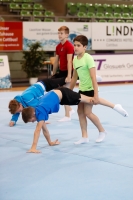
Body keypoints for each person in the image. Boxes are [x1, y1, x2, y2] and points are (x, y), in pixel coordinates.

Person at [69, 35, 128, 144]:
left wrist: (96, 95)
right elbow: (74, 78)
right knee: (80, 112)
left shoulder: (88, 58)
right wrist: (69, 91)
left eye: (78, 45)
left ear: (85, 47)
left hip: (90, 88)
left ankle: (102, 130)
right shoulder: (75, 59)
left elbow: (93, 77)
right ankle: (85, 136)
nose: (75, 47)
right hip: (82, 89)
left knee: (88, 112)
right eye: (74, 45)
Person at [21, 87, 94, 153]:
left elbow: (37, 131)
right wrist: (50, 142)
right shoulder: (37, 110)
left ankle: (101, 101)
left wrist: (33, 147)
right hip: (55, 93)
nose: (33, 121)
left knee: (92, 100)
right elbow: (45, 130)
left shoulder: (40, 112)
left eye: (32, 120)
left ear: (33, 114)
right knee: (87, 100)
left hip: (61, 93)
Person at [51, 25, 75, 122]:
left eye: (61, 33)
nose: (59, 35)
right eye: (59, 33)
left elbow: (70, 61)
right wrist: (53, 73)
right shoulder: (58, 46)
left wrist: (69, 75)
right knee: (58, 91)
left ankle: (67, 116)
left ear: (67, 35)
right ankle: (70, 109)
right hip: (61, 71)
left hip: (69, 72)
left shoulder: (69, 46)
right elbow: (56, 61)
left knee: (65, 92)